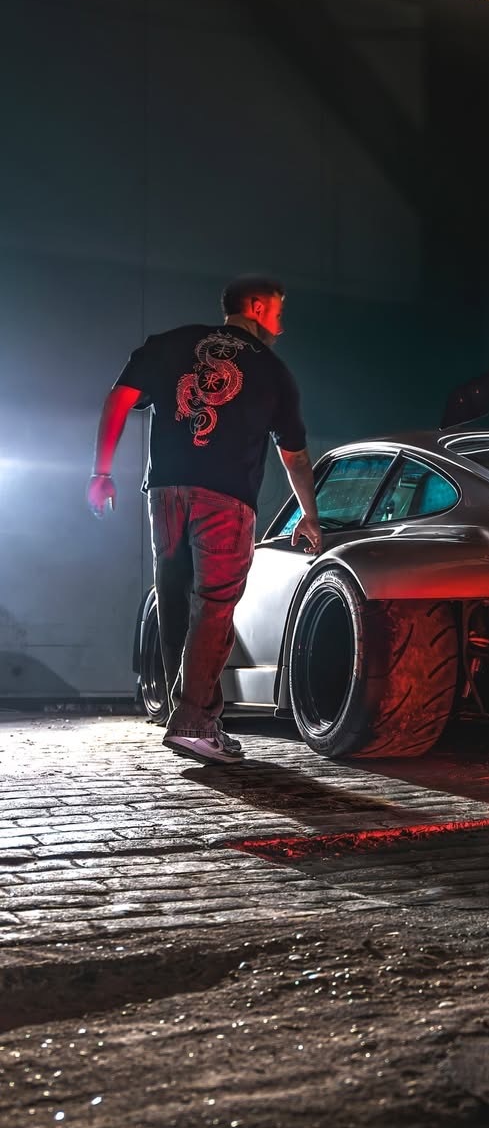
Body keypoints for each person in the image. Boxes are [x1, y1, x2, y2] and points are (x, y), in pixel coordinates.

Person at [87, 276, 322, 766]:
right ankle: (193, 724)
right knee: (213, 608)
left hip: (165, 492)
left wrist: (101, 474)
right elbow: (295, 456)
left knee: (176, 601)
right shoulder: (273, 371)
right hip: (226, 500)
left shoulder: (170, 343)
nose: (280, 326)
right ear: (256, 307)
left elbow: (118, 399)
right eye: (278, 313)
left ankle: (194, 720)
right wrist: (309, 515)